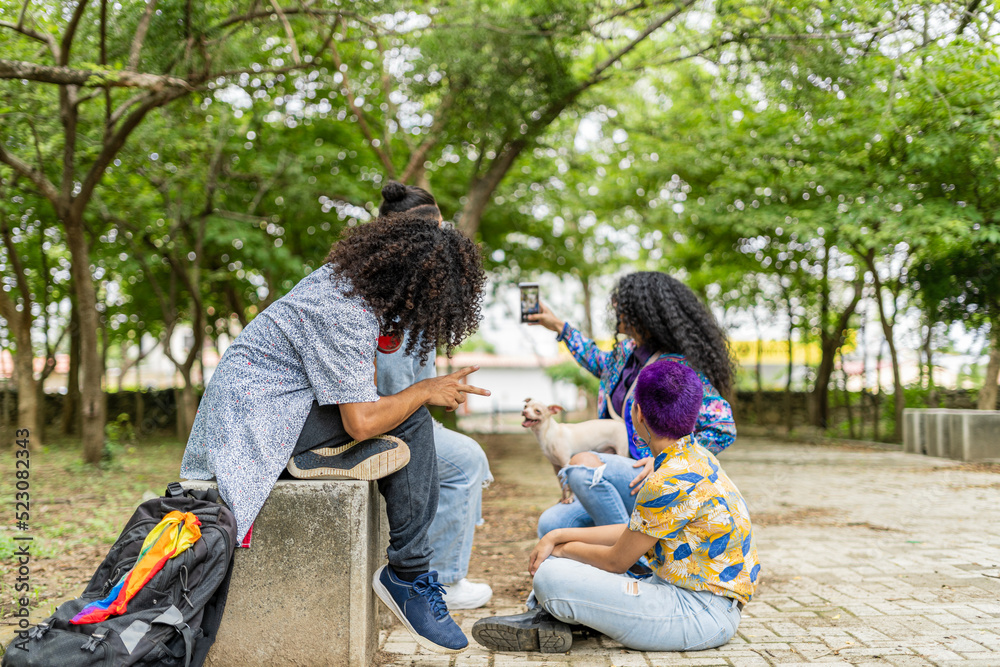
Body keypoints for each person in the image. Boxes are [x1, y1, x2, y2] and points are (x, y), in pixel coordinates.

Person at [180, 213, 488, 653]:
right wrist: (424, 390)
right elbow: (361, 420)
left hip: (277, 410)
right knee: (412, 414)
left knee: (399, 411)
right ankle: (409, 576)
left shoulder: (347, 287)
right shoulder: (343, 310)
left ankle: (325, 455)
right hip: (255, 427)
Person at [472, 359, 759, 653]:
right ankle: (560, 615)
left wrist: (559, 550)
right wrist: (556, 536)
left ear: (637, 414)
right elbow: (634, 531)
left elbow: (615, 561)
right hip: (705, 603)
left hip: (696, 614)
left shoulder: (665, 480)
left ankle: (556, 614)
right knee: (563, 553)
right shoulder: (697, 456)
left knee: (551, 574)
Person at [527, 272, 737, 540]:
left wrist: (668, 460)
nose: (615, 306)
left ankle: (632, 557)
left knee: (581, 468)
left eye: (623, 303)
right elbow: (598, 362)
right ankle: (622, 547)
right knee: (551, 525)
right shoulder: (626, 352)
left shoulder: (677, 368)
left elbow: (723, 427)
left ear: (645, 313)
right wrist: (558, 325)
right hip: (615, 477)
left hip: (648, 480)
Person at [375, 180, 494, 610]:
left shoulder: (415, 295)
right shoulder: (384, 301)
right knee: (465, 460)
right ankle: (440, 581)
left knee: (466, 457)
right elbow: (388, 391)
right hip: (370, 423)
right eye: (439, 230)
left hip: (399, 417)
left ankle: (442, 570)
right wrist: (428, 393)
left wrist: (438, 393)